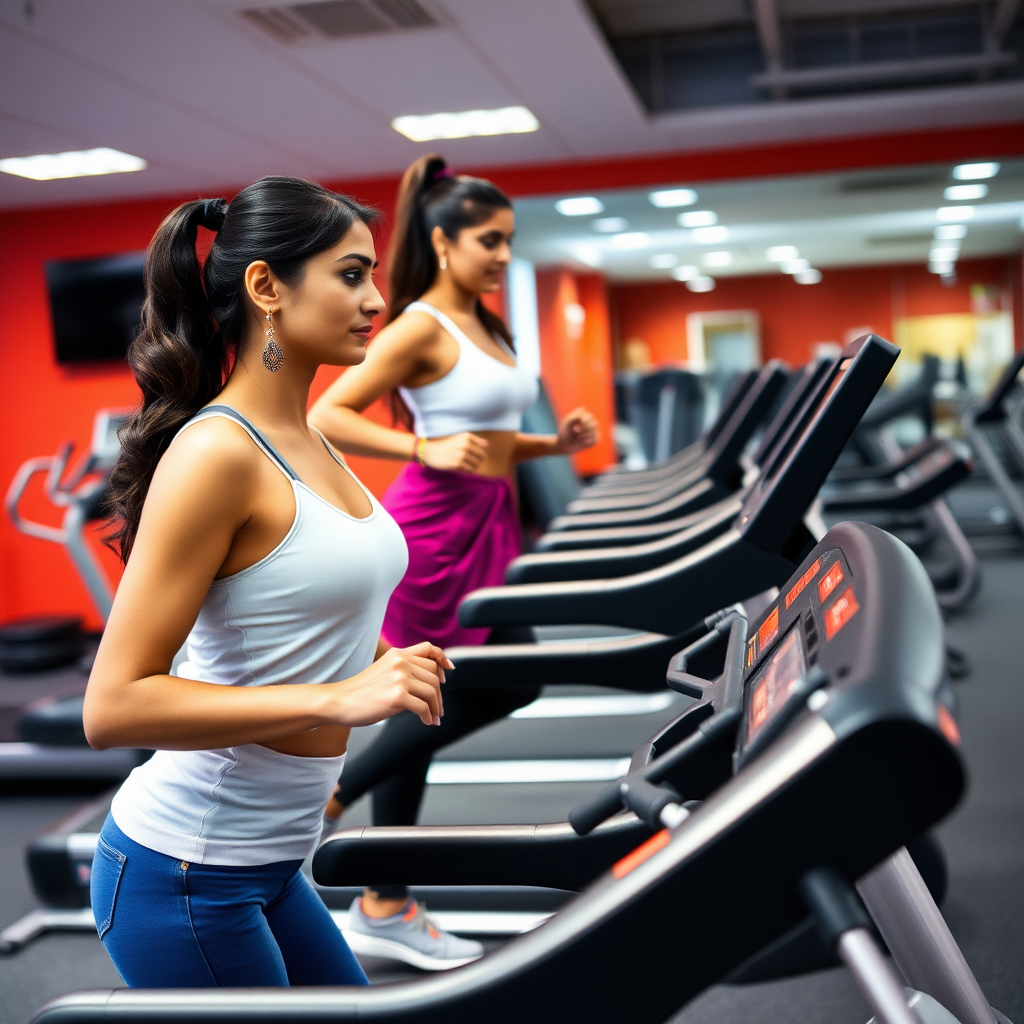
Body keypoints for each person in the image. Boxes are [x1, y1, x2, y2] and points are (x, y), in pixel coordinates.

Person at [83, 176, 451, 989]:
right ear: (266, 288)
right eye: (352, 275)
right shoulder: (220, 452)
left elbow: (296, 596)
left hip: (277, 865)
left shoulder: (309, 437)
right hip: (185, 871)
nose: (376, 300)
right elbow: (113, 708)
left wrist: (389, 656)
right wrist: (339, 697)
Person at [308, 155, 598, 969]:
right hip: (433, 532)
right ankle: (341, 797)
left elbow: (489, 441)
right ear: (443, 242)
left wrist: (553, 443)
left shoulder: (486, 325)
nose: (504, 255)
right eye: (490, 241)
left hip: (490, 520)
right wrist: (421, 444)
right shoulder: (419, 327)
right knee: (499, 679)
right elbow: (329, 413)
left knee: (427, 703)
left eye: (510, 241)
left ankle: (384, 899)